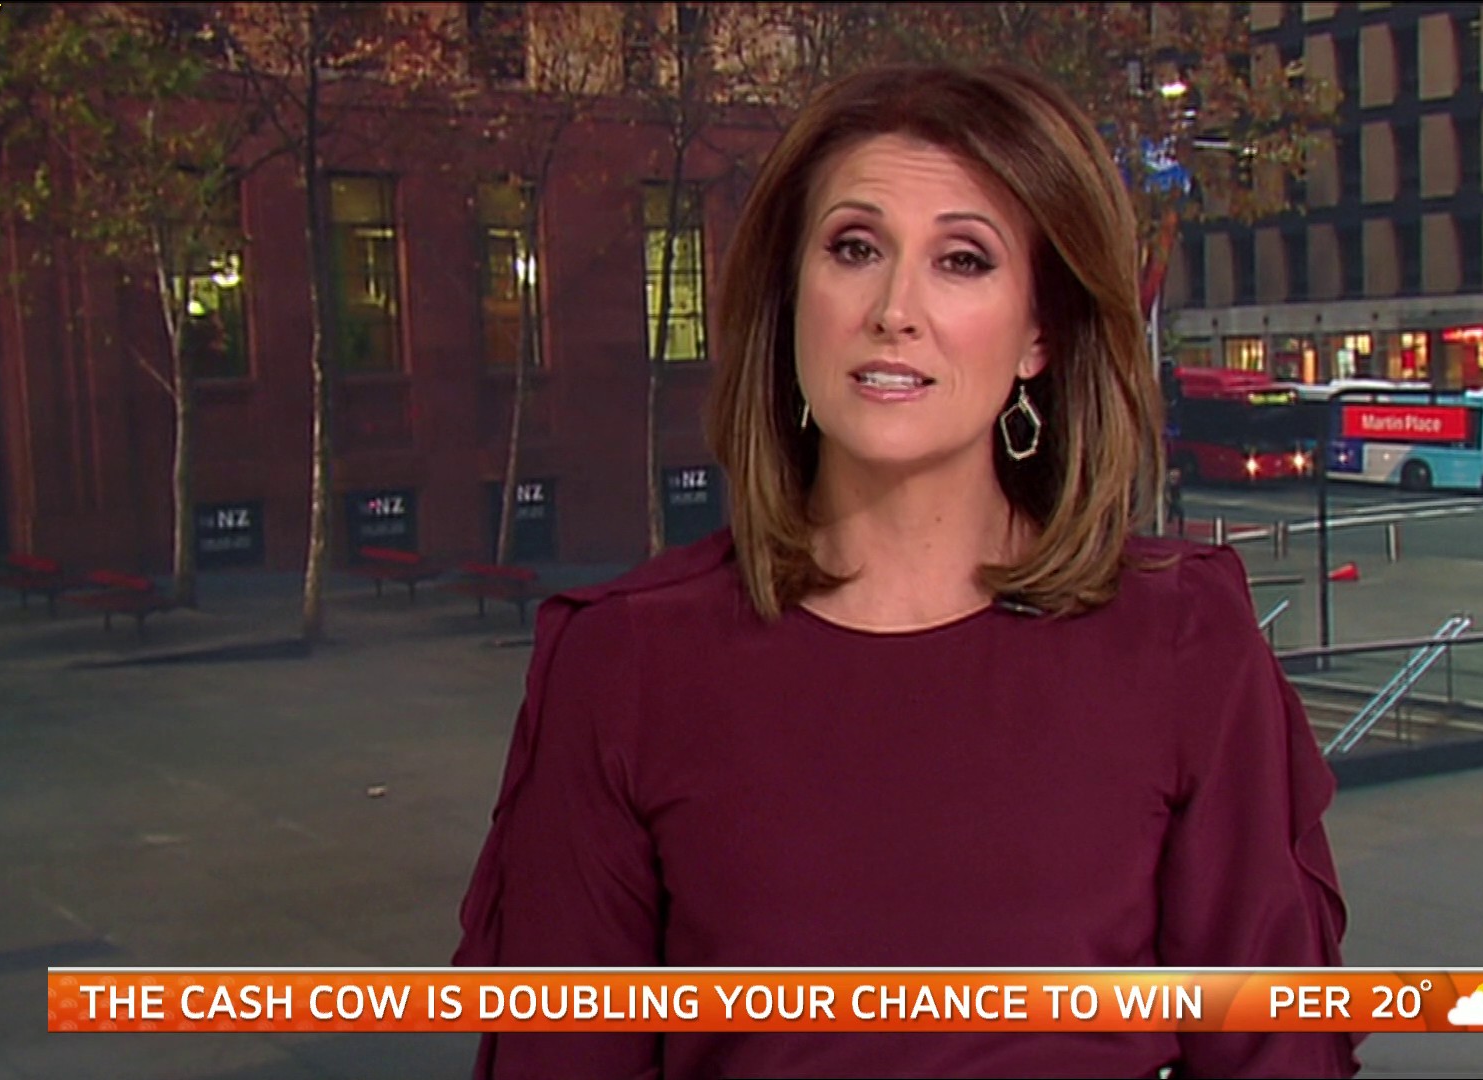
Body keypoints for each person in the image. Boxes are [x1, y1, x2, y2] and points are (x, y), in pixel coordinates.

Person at [454, 63, 1359, 1079]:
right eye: (855, 248)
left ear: (1041, 332)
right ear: (792, 296)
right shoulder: (625, 663)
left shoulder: (1183, 641)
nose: (894, 309)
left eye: (962, 260)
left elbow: (1275, 1054)